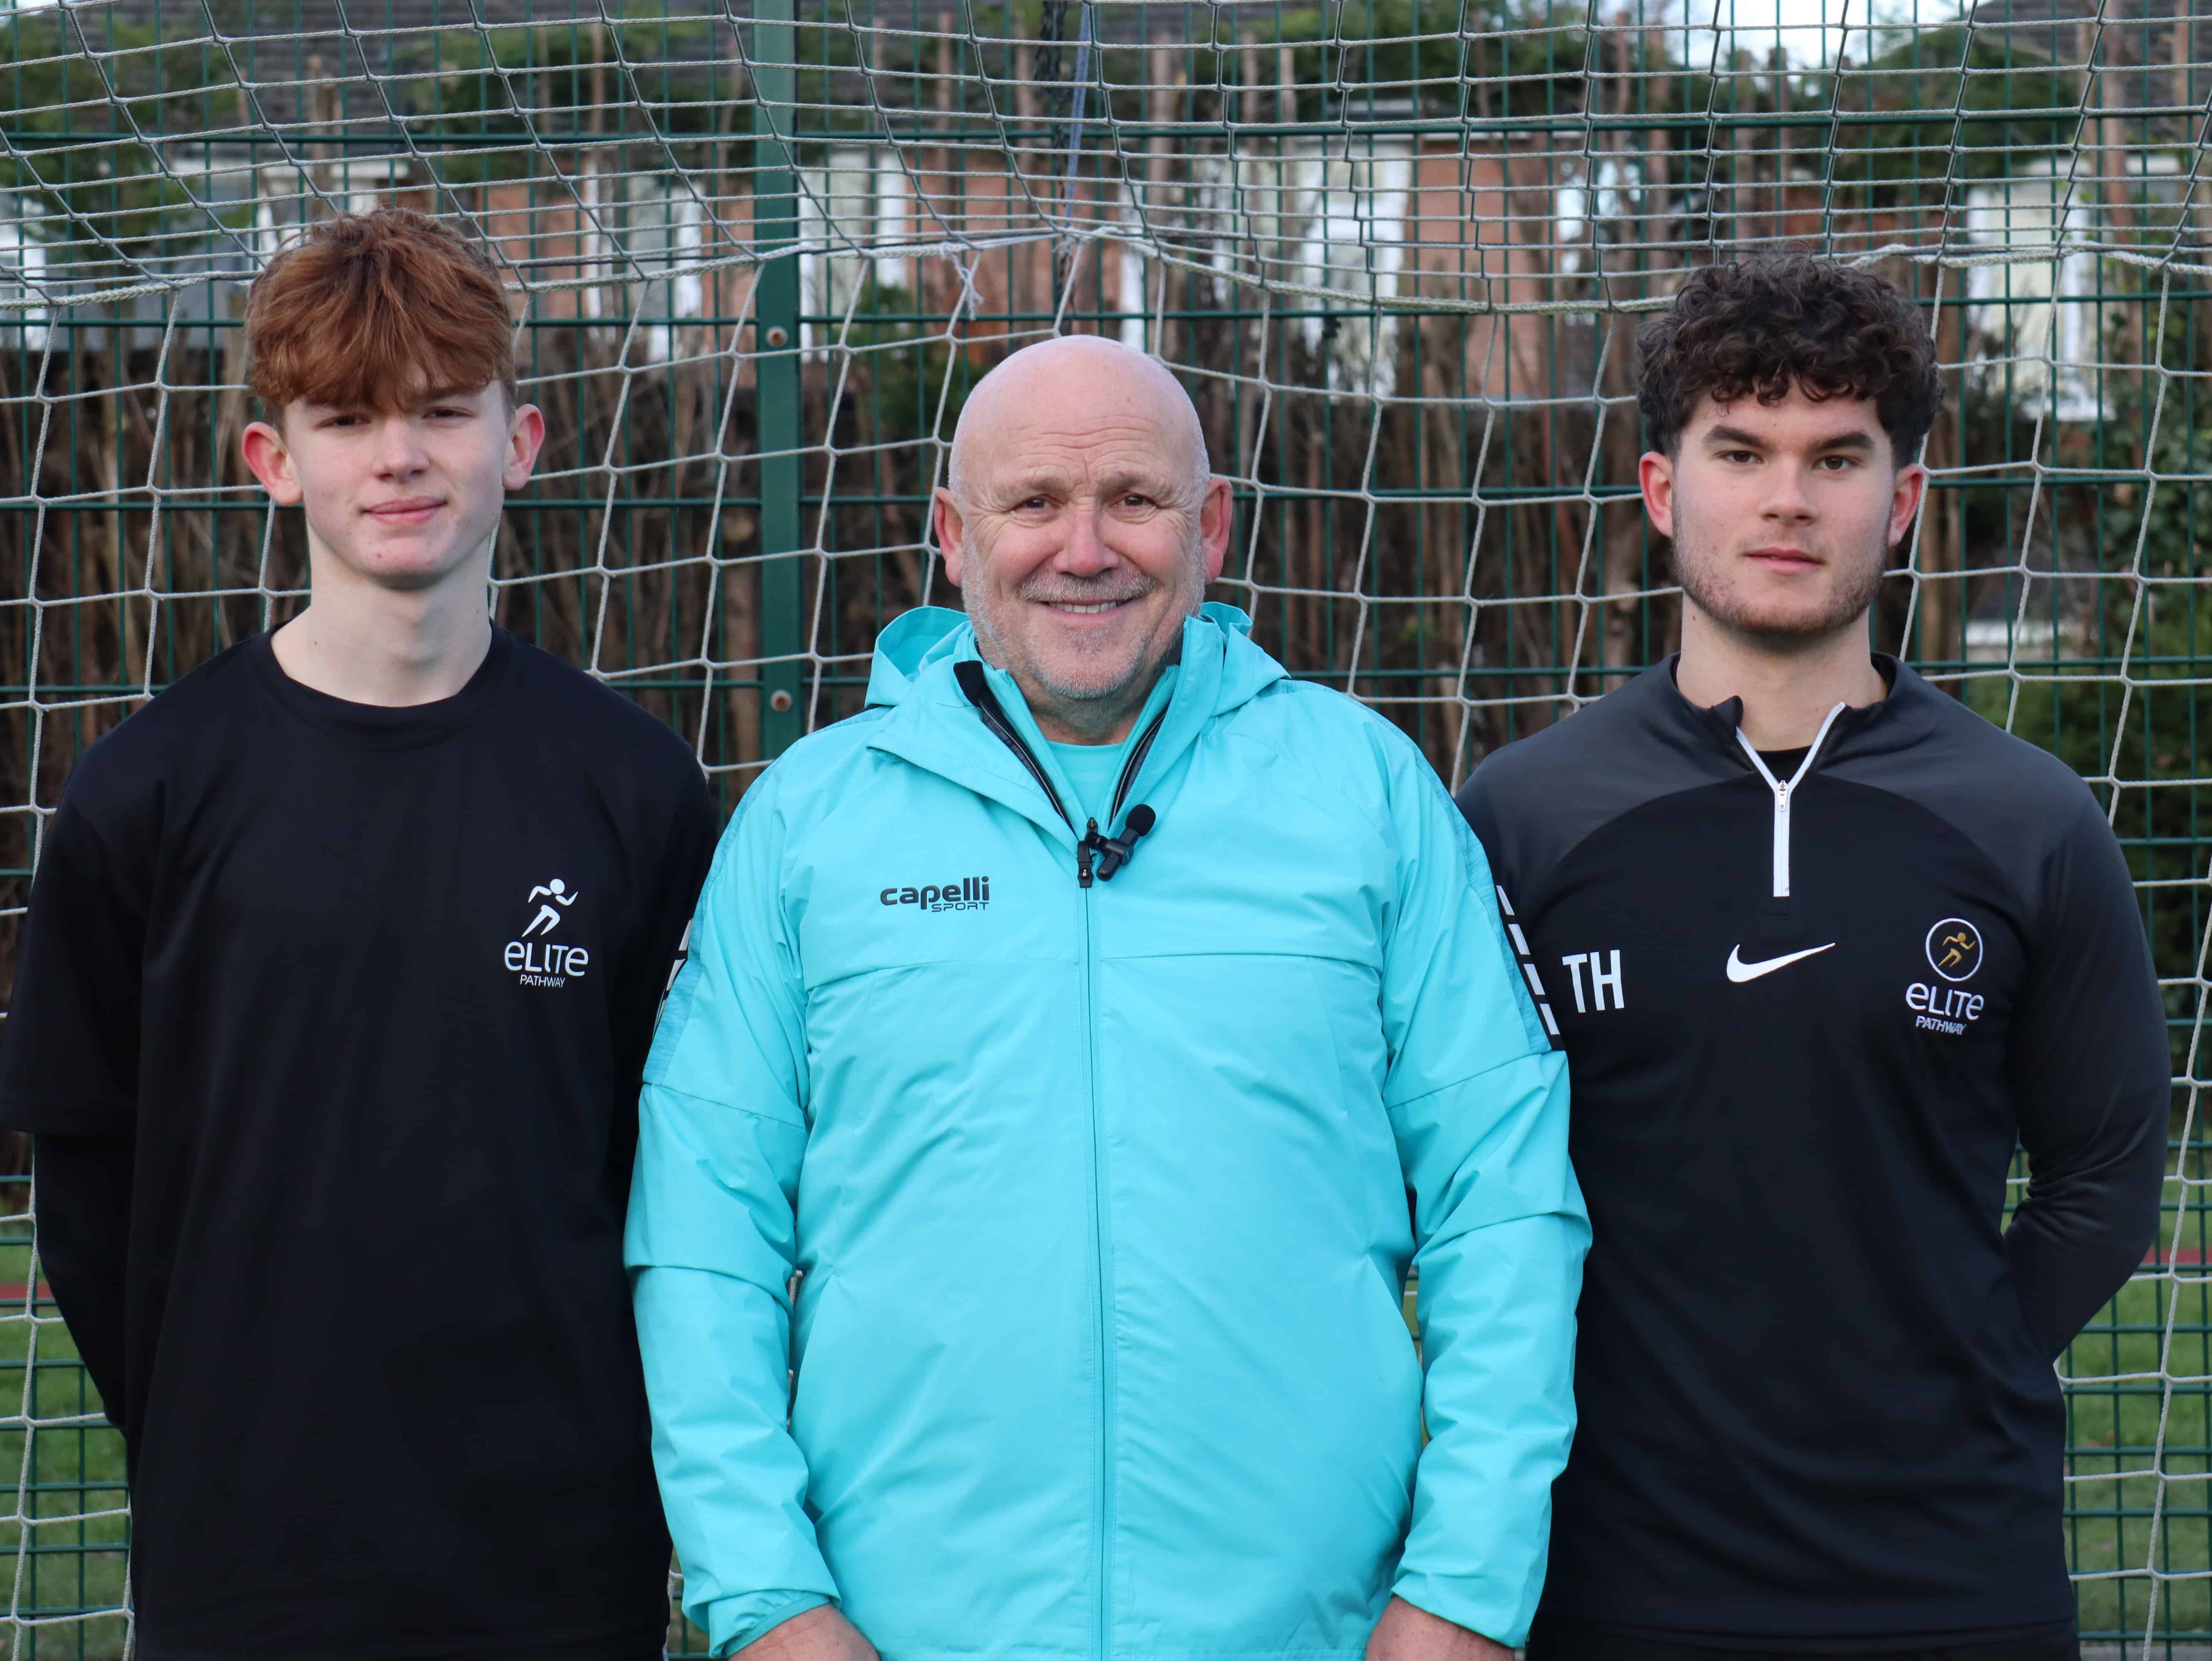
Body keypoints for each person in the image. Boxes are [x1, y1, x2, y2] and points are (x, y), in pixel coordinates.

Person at [626, 334, 1588, 1661]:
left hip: (1317, 1635)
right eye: (1034, 504)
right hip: (898, 1638)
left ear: (1210, 529)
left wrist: (1467, 1593)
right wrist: (768, 1602)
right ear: (955, 537)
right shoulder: (806, 825)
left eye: (1133, 500)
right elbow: (699, 1237)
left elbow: (1508, 1200)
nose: (1085, 549)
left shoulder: (1367, 796)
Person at [0, 209, 717, 1660]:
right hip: (247, 1554)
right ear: (276, 464)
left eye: (445, 412)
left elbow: (692, 1164)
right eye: (346, 419)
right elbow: (83, 1169)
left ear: (522, 442)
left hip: (561, 1547)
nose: (400, 457)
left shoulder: (637, 790)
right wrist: (218, 1418)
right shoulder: (146, 791)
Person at [1457, 255, 2169, 1661]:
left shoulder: (2027, 819)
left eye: (1837, 456)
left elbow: (2103, 1181)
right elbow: (1456, 1186)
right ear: (1665, 491)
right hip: (1614, 1576)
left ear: (1900, 502)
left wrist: (1939, 1373)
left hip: (1953, 1581)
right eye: (1743, 450)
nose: (1789, 497)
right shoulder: (1520, 820)